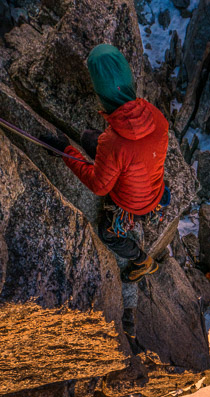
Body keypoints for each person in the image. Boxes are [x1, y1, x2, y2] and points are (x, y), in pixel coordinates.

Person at [43, 44, 170, 283]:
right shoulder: (156, 116)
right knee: (90, 138)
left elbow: (100, 186)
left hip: (132, 205)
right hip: (156, 190)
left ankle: (142, 261)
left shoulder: (112, 142)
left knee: (108, 234)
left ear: (102, 96)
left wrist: (66, 152)